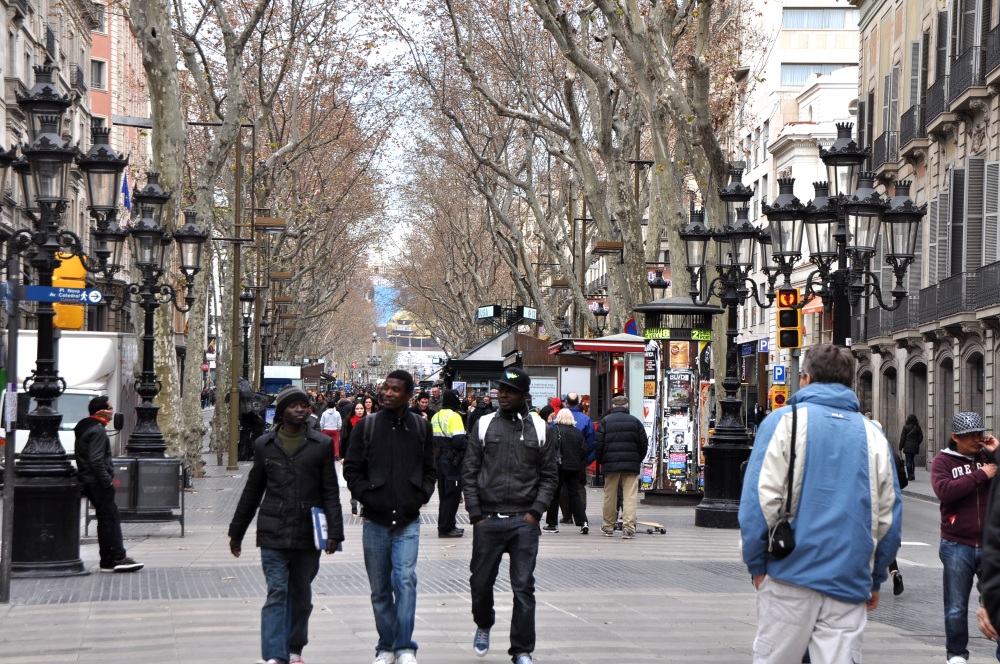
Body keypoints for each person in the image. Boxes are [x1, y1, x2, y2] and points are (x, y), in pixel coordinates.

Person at [739, 344, 901, 664]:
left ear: (806, 379)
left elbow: (759, 501)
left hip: (789, 574)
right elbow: (888, 517)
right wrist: (875, 576)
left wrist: (757, 564)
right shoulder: (873, 434)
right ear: (849, 382)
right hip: (848, 579)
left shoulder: (783, 423)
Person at [228, 386, 343, 664]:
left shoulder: (321, 445)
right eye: (293, 406)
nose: (300, 409)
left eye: (304, 405)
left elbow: (330, 491)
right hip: (273, 530)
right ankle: (274, 655)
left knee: (301, 596)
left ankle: (294, 649)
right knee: (277, 591)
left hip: (308, 532)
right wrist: (237, 532)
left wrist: (335, 534)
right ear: (282, 411)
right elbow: (252, 491)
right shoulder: (264, 445)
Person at [463, 368, 558, 664]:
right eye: (500, 389)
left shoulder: (541, 429)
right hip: (487, 520)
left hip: (523, 521)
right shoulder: (483, 424)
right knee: (480, 584)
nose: (502, 394)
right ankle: (484, 622)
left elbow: (549, 476)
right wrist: (476, 514)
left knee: (523, 586)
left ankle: (521, 650)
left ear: (525, 396)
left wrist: (535, 513)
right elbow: (469, 472)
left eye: (510, 391)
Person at [344, 370, 436, 664]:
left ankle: (405, 645)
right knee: (380, 588)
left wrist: (419, 496)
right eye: (385, 388)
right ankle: (386, 645)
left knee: (405, 580)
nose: (387, 393)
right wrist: (367, 496)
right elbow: (352, 469)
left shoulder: (421, 428)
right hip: (374, 521)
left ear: (408, 395)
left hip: (408, 520)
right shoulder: (367, 427)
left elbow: (430, 469)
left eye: (395, 389)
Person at [931, 411, 1000, 664]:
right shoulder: (943, 461)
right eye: (969, 435)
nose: (976, 439)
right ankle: (957, 655)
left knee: (997, 601)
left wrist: (997, 451)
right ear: (954, 437)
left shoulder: (989, 457)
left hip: (991, 545)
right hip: (956, 543)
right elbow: (944, 491)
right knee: (956, 606)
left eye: (979, 433)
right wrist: (980, 475)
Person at [75, 396, 143, 574]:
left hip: (90, 480)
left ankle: (111, 558)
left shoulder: (86, 427)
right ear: (101, 411)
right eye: (110, 409)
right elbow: (96, 460)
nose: (112, 413)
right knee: (110, 519)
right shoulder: (97, 430)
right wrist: (107, 481)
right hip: (97, 482)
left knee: (108, 518)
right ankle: (115, 558)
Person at [593, 395, 648, 539]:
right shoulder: (635, 422)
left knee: (609, 496)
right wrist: (637, 459)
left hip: (610, 464)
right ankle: (628, 528)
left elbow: (598, 445)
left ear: (612, 406)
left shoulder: (605, 422)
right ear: (627, 405)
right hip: (631, 464)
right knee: (630, 496)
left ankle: (608, 526)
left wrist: (603, 460)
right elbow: (644, 445)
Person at [542, 407, 590, 534]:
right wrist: (577, 460)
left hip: (559, 467)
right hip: (574, 468)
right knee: (574, 494)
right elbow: (584, 449)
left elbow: (550, 448)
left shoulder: (555, 430)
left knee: (555, 494)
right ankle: (583, 522)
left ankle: (552, 524)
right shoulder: (577, 432)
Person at [431, 389, 468, 538]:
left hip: (439, 459)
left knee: (443, 493)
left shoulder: (436, 416)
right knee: (453, 493)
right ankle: (446, 528)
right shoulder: (454, 416)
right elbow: (459, 441)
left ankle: (447, 524)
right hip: (452, 460)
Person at [341, 402, 368, 517]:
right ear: (354, 410)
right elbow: (344, 440)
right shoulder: (348, 422)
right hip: (351, 456)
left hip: (365, 456)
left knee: (364, 482)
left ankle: (363, 508)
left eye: (361, 408)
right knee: (353, 481)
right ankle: (353, 507)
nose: (360, 411)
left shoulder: (369, 422)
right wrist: (343, 456)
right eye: (357, 408)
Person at [899, 413, 923, 481]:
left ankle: (909, 475)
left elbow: (902, 438)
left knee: (908, 461)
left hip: (907, 446)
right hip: (915, 447)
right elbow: (921, 437)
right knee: (912, 460)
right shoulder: (918, 427)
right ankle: (912, 474)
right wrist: (917, 443)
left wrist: (900, 447)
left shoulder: (905, 427)